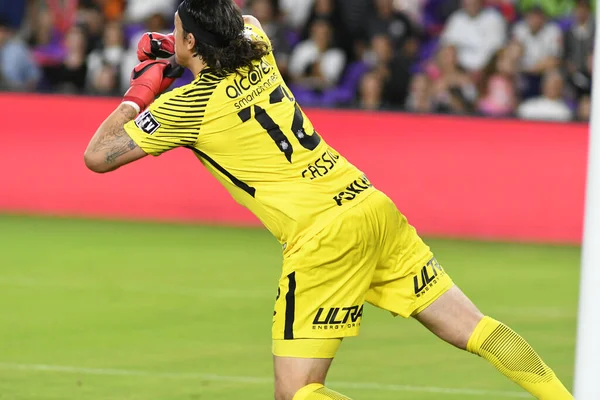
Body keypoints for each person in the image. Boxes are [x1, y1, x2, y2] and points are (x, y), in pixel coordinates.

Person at [84, 1, 575, 399]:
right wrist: (177, 48)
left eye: (177, 32)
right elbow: (245, 23)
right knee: (475, 329)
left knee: (296, 394)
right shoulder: (257, 48)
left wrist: (142, 88)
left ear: (192, 41)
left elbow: (98, 156)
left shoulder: (186, 106)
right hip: (369, 204)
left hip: (322, 238)